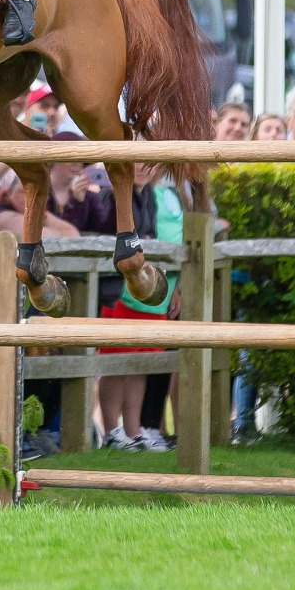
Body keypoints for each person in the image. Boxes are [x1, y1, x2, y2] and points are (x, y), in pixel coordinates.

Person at [97, 162, 185, 452]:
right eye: (133, 162)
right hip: (120, 292)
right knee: (116, 361)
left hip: (149, 294)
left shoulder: (150, 196)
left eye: (147, 163)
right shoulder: (110, 196)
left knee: (140, 363)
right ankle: (112, 430)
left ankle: (134, 431)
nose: (140, 168)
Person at [45, 133, 115, 234]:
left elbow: (106, 232)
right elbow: (61, 232)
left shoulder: (89, 197)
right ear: (53, 160)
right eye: (69, 157)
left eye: (80, 158)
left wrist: (116, 199)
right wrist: (75, 203)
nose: (76, 163)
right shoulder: (38, 193)